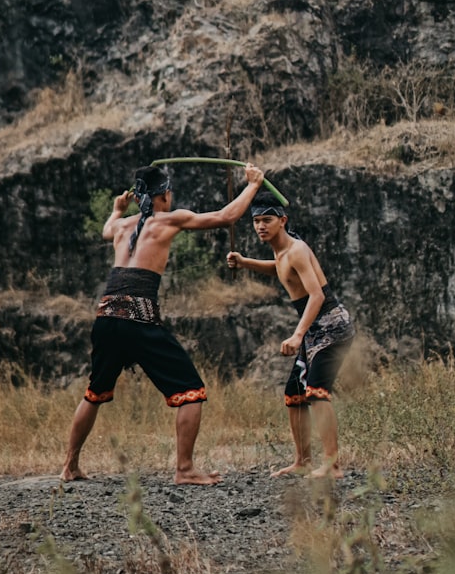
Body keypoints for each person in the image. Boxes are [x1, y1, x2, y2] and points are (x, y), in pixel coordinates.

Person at [61, 160, 265, 485]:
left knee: (95, 391)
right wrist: (254, 184)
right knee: (191, 391)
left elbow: (105, 228)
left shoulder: (122, 225)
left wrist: (116, 209)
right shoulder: (171, 219)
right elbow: (226, 217)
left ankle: (69, 467)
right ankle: (184, 470)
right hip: (138, 318)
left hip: (106, 316)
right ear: (164, 195)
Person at [227, 192, 354, 478]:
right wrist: (246, 262)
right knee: (294, 394)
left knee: (317, 393)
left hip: (332, 328)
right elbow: (282, 270)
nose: (261, 226)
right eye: (257, 221)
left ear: (282, 221)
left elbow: (317, 295)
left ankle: (332, 465)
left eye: (267, 220)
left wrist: (297, 335)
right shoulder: (281, 251)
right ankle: (302, 461)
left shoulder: (296, 249)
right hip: (314, 332)